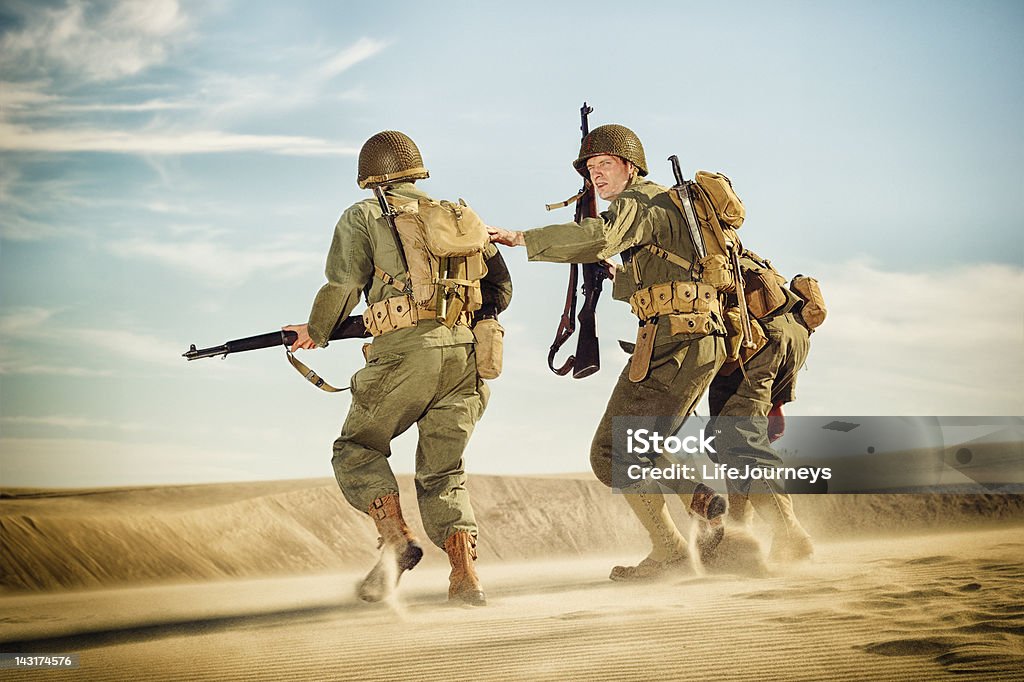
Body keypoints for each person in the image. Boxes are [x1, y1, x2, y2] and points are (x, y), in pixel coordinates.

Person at [489, 124, 728, 580]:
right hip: (691, 340)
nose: (596, 176)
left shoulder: (640, 201)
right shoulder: (663, 205)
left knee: (610, 452)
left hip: (675, 344)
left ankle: (674, 547)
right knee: (639, 445)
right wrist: (620, 273)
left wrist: (522, 238)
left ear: (630, 166)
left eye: (605, 165)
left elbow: (598, 237)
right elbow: (661, 280)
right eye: (591, 169)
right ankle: (701, 512)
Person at [285, 130, 512, 606]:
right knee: (444, 472)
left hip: (404, 354)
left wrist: (317, 331)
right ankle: (465, 578)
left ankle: (394, 538)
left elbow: (343, 283)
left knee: (355, 449)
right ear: (416, 171)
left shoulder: (364, 215)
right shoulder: (459, 215)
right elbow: (501, 289)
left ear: (370, 177)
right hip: (466, 356)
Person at [703, 250, 815, 563]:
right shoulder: (744, 255)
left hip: (754, 343)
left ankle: (790, 535)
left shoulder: (695, 246)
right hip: (787, 338)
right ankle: (738, 541)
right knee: (733, 444)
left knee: (737, 442)